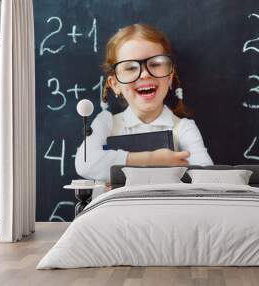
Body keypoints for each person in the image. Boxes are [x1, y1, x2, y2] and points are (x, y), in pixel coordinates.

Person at [75, 23, 213, 182]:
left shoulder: (184, 128)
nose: (145, 74)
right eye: (131, 68)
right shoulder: (106, 123)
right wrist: (154, 159)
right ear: (115, 84)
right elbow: (85, 163)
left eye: (155, 64)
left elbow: (206, 177)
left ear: (169, 77)